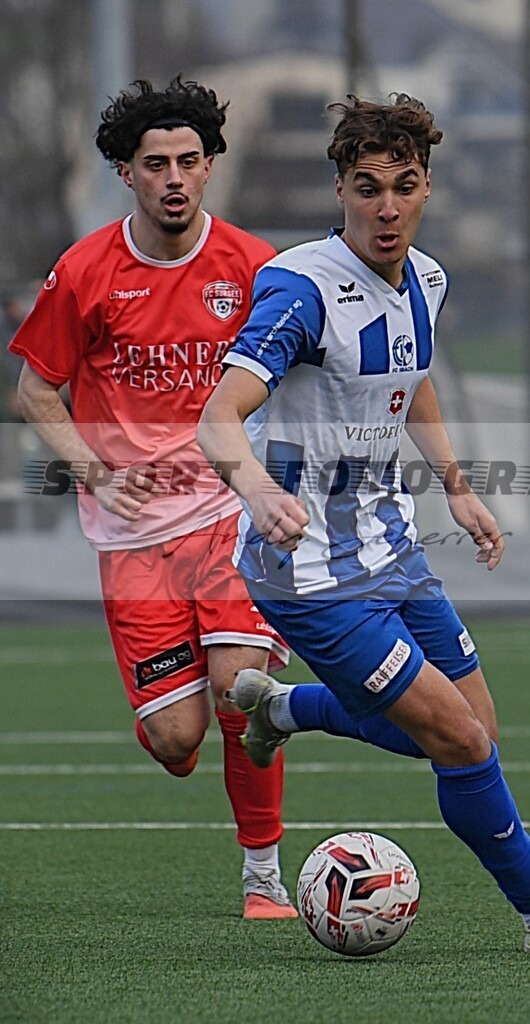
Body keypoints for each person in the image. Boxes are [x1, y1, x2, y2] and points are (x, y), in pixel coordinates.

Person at [197, 93, 530, 954]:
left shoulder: (426, 277)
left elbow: (409, 377)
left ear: (427, 186)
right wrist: (256, 491)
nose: (386, 207)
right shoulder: (299, 288)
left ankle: (285, 709)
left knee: (476, 731)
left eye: (404, 185)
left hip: (392, 548)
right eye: (366, 187)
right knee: (459, 741)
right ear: (340, 190)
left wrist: (458, 487)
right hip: (309, 573)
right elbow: (217, 417)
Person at [10, 75, 298, 919]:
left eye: (188, 160)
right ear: (125, 174)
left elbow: (303, 374)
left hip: (228, 518)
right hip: (133, 537)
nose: (173, 177)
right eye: (154, 163)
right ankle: (162, 717)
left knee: (245, 697)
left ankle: (263, 879)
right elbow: (35, 394)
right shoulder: (86, 272)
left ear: (210, 165)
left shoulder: (254, 266)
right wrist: (95, 470)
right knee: (177, 743)